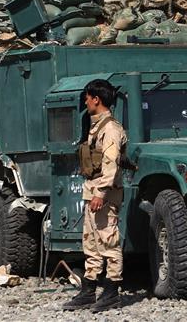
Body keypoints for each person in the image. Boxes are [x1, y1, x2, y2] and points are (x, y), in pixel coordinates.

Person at [63, 79, 126, 312]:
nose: (86, 103)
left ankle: (112, 291)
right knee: (91, 243)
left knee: (108, 241)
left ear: (96, 99)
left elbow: (110, 163)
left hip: (104, 193)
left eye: (88, 99)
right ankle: (89, 289)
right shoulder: (97, 126)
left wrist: (101, 192)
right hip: (93, 190)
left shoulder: (110, 129)